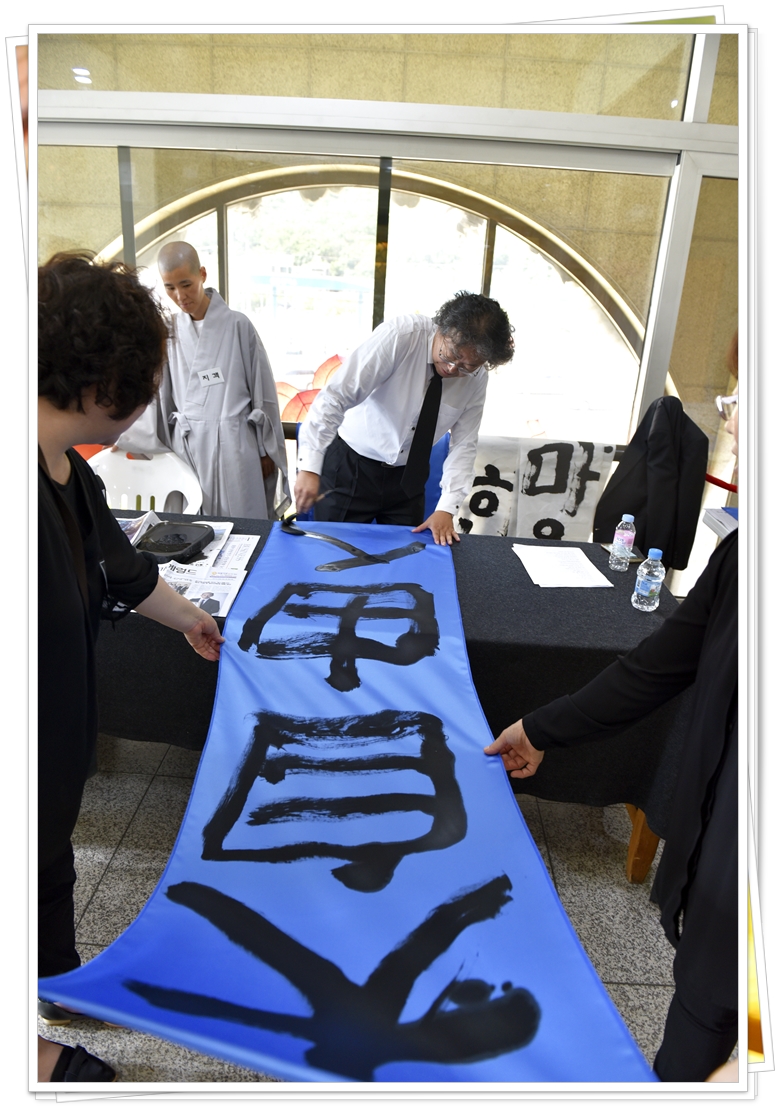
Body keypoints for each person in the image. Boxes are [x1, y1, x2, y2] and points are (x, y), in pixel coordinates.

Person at [484, 355, 740, 1082]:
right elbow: (658, 665)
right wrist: (541, 728)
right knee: (692, 1035)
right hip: (718, 879)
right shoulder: (747, 554)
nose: (731, 419)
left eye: (742, 400)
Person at [38, 252, 227, 1083]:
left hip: (55, 741)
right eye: (145, 384)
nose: (150, 402)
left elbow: (124, 569)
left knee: (49, 861)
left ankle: (53, 982)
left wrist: (192, 620)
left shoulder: (69, 470)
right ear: (100, 382)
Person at [294, 292, 514, 545]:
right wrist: (309, 466)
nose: (453, 368)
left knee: (406, 555)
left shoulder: (476, 378)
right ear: (442, 328)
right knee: (334, 549)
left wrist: (447, 508)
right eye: (451, 354)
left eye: (467, 366)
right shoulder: (401, 336)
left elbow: (464, 444)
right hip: (350, 466)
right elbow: (336, 397)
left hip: (409, 478)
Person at [115, 241, 290, 520]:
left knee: (244, 523)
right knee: (194, 525)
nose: (180, 296)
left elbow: (263, 392)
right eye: (170, 288)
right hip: (189, 447)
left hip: (236, 445)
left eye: (186, 284)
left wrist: (265, 450)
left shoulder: (238, 326)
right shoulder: (169, 330)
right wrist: (125, 434)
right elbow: (157, 393)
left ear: (202, 275)